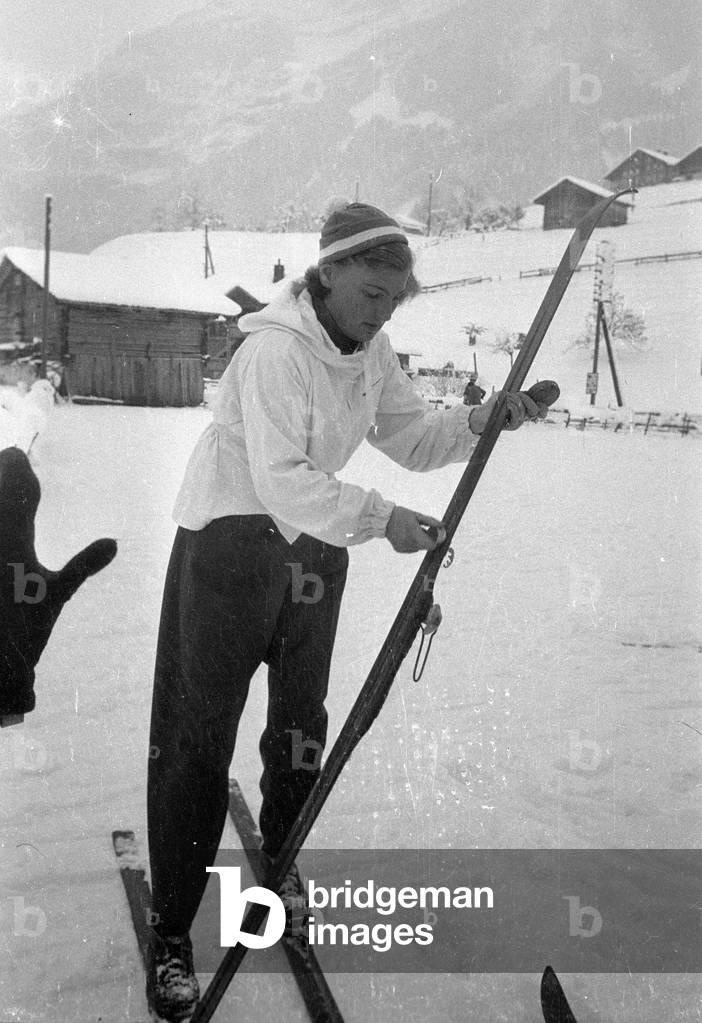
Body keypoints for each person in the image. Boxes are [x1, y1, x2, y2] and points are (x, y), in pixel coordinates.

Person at [146, 203, 549, 1021]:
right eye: (372, 293)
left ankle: (283, 859)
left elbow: (408, 438)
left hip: (314, 549)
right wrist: (385, 519)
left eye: (396, 299)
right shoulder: (273, 353)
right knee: (198, 739)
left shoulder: (373, 352)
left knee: (301, 726)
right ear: (327, 274)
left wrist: (479, 421)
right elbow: (281, 476)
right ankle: (171, 933)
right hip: (229, 544)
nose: (383, 311)